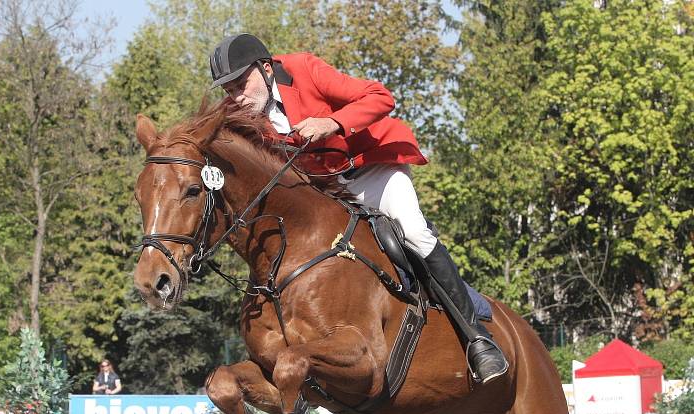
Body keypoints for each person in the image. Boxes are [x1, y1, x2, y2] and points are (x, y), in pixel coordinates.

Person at [209, 33, 509, 384]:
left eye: (240, 83)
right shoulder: (237, 114)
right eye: (228, 90)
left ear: (265, 68)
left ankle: (478, 339)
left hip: (371, 168)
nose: (236, 96)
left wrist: (332, 123)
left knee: (413, 231)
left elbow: (380, 97)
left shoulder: (303, 69)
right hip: (326, 190)